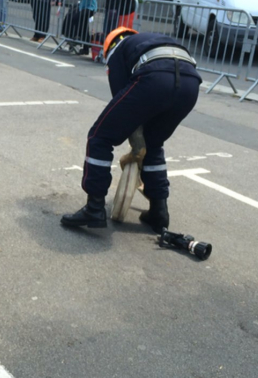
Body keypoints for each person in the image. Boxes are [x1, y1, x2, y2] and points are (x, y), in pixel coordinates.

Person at [60, 27, 201, 234]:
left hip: (155, 78)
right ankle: (159, 211)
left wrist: (136, 147)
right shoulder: (147, 40)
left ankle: (94, 208)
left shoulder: (117, 51)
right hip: (191, 84)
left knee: (100, 136)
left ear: (109, 46)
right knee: (153, 144)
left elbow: (123, 106)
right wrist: (143, 145)